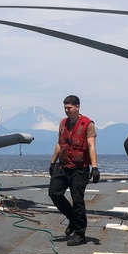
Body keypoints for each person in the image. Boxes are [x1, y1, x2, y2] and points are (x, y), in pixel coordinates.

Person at [48, 94, 99, 246]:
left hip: (79, 169)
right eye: (65, 108)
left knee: (77, 200)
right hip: (63, 166)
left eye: (69, 108)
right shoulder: (63, 123)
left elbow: (91, 146)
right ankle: (72, 218)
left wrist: (95, 167)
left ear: (77, 107)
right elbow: (60, 143)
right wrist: (52, 162)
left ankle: (80, 234)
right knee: (54, 193)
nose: (66, 110)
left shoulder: (87, 124)